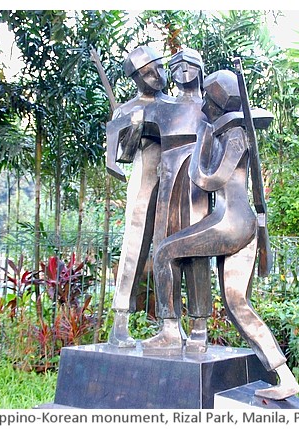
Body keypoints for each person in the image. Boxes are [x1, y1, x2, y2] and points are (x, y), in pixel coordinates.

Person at [150, 70, 299, 400]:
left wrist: (202, 136)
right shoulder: (233, 132)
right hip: (237, 223)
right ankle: (284, 374)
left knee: (164, 252)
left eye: (208, 97)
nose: (202, 101)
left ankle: (170, 331)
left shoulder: (234, 136)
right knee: (236, 304)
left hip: (231, 224)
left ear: (217, 104)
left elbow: (207, 180)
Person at [140, 48, 212, 352]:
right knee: (162, 251)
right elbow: (132, 138)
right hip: (168, 181)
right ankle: (169, 326)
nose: (183, 71)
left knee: (195, 252)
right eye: (177, 66)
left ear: (199, 68)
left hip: (197, 182)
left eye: (189, 65)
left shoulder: (211, 107)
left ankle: (199, 326)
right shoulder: (160, 108)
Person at [106, 46, 173, 347]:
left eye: (158, 67)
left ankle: (171, 324)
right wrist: (134, 130)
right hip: (145, 180)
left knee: (172, 250)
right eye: (147, 72)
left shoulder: (177, 104)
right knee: (134, 247)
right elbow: (118, 158)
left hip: (176, 184)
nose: (156, 75)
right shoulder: (126, 109)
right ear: (135, 78)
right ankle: (120, 321)